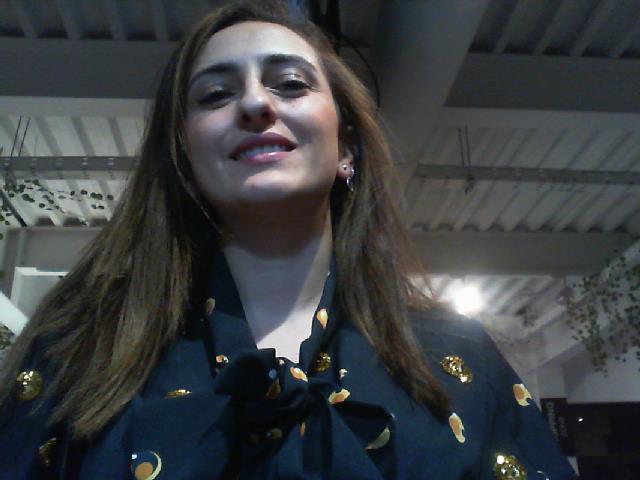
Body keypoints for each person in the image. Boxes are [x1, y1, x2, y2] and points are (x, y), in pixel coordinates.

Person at [0, 1, 577, 478]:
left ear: (346, 148)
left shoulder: (462, 356)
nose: (255, 103)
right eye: (215, 95)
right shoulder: (76, 345)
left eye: (291, 84)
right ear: (184, 157)